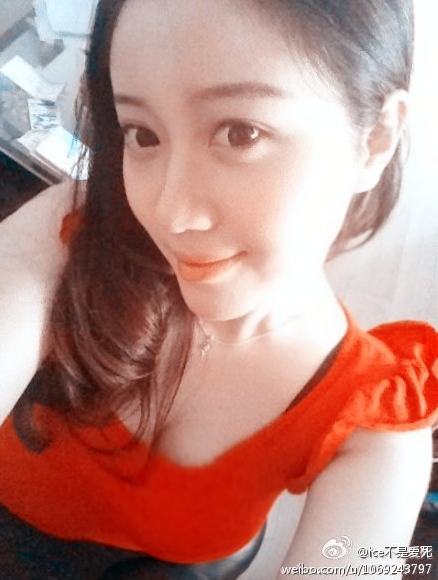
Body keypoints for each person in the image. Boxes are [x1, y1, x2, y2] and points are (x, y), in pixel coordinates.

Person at [0, 0, 437, 578]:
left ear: (375, 139)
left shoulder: (376, 424)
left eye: (240, 133)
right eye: (142, 134)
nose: (170, 213)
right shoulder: (68, 233)